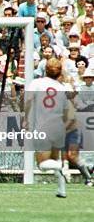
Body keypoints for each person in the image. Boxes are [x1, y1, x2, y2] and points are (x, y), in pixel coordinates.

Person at [25, 58, 70, 198]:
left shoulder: (37, 83)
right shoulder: (62, 88)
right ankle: (62, 190)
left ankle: (62, 167)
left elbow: (28, 101)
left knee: (43, 164)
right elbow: (66, 111)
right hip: (58, 127)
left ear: (45, 69)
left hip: (43, 126)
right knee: (55, 159)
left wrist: (26, 119)